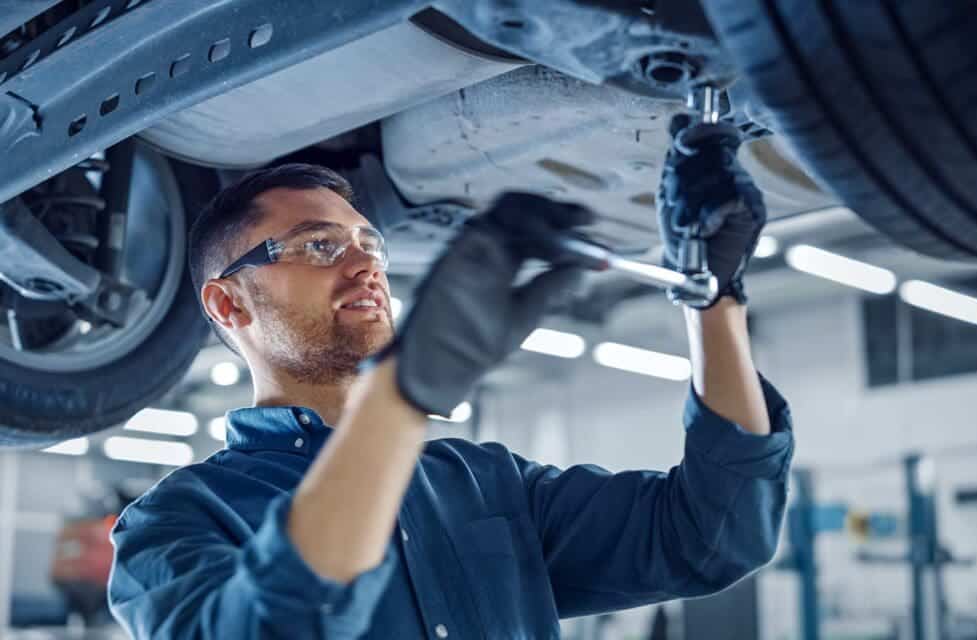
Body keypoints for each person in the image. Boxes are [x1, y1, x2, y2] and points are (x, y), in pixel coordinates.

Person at [107, 122, 794, 639]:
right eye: (320, 246)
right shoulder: (172, 525)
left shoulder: (487, 484)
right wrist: (399, 398)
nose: (365, 265)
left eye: (370, 245)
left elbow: (712, 535)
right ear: (228, 304)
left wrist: (715, 298)